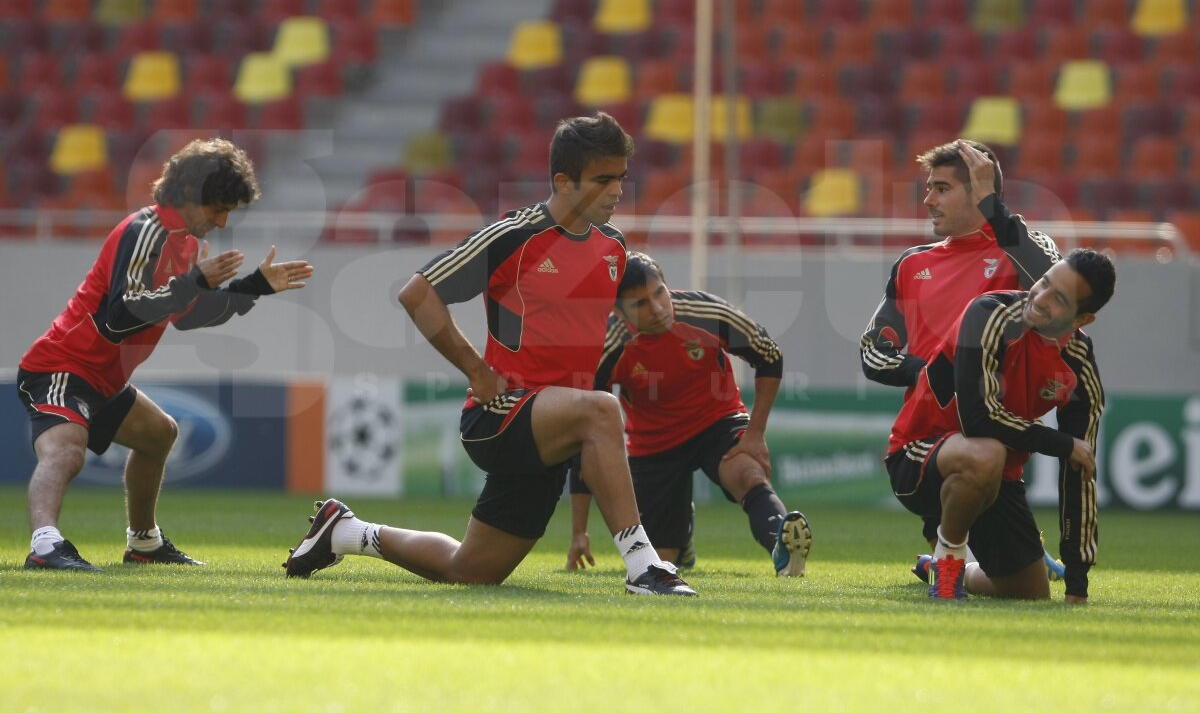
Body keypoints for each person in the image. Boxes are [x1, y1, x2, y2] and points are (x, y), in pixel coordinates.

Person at [283, 113, 695, 596]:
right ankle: (645, 567)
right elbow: (418, 294)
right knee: (603, 410)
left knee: (471, 570)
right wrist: (477, 371)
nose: (617, 191)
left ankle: (346, 532)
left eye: (621, 178)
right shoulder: (513, 235)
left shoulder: (614, 248)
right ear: (564, 182)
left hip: (555, 431)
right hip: (501, 414)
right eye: (603, 180)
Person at [19, 137, 314, 571]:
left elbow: (187, 316)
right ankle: (45, 545)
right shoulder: (145, 230)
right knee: (67, 450)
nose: (223, 221)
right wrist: (193, 282)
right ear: (190, 193)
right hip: (62, 365)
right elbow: (119, 317)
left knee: (159, 433)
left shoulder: (186, 243)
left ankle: (144, 543)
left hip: (104, 378)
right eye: (218, 208)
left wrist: (254, 286)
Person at [859, 139, 1067, 577]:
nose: (928, 200)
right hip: (926, 444)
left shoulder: (1023, 249)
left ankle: (941, 563)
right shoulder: (912, 264)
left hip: (1000, 457)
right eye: (928, 188)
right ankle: (949, 555)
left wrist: (996, 209)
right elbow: (872, 351)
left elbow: (1062, 297)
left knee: (1028, 593)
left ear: (980, 194)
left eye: (942, 188)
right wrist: (937, 372)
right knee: (980, 459)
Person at [563, 252, 811, 577]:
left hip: (717, 422)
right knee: (664, 560)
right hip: (653, 445)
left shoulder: (706, 313)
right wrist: (579, 532)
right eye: (640, 304)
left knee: (747, 473)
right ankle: (682, 540)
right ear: (618, 311)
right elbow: (585, 438)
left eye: (659, 293)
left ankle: (783, 548)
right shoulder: (607, 347)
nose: (657, 308)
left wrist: (755, 434)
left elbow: (770, 356)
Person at [887, 248, 1114, 601]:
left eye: (1058, 299)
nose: (1040, 297)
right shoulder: (989, 313)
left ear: (1082, 319)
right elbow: (978, 418)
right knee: (987, 452)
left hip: (996, 475)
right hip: (917, 454)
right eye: (1044, 283)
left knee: (1029, 592)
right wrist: (1062, 443)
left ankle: (945, 567)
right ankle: (947, 570)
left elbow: (1080, 471)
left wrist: (1077, 583)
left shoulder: (1079, 365)